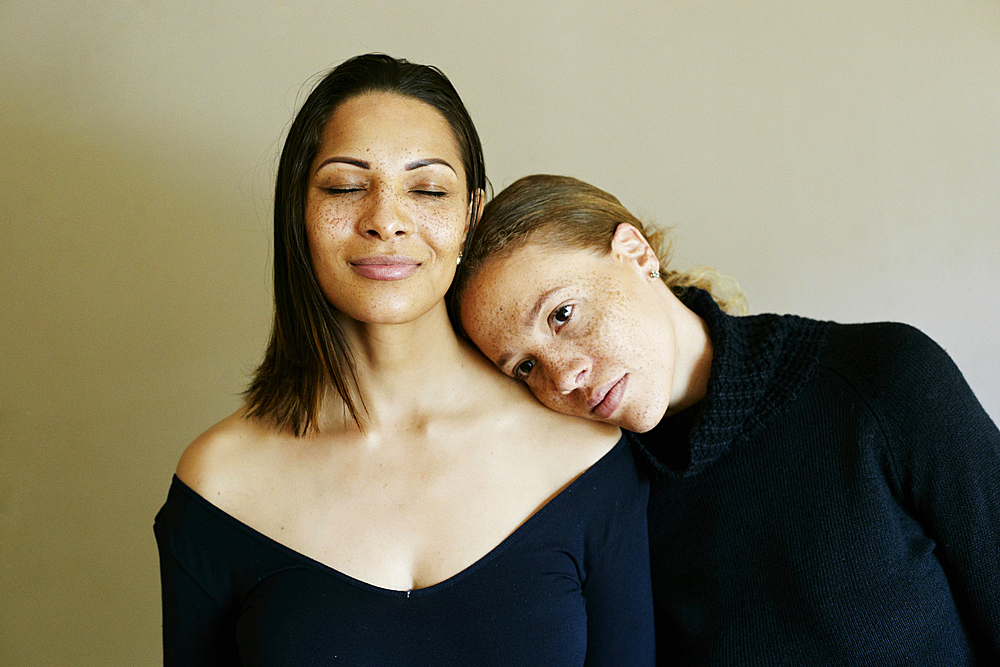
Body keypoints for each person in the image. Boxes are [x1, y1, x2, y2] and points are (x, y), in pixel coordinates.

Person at [153, 58, 654, 666]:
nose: (386, 221)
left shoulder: (585, 454)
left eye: (427, 190)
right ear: (298, 212)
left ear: (471, 212)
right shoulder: (218, 484)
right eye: (344, 187)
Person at [453, 173, 1000, 665]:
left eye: (562, 314)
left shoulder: (880, 379)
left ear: (636, 253)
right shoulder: (599, 491)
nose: (563, 377)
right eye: (524, 366)